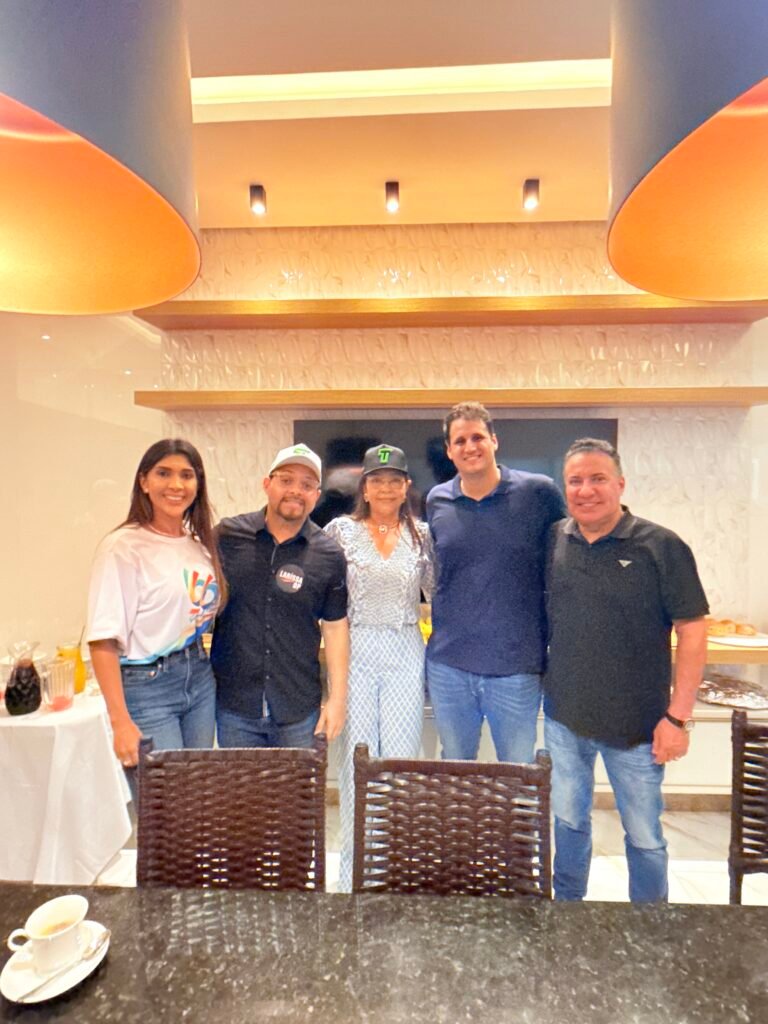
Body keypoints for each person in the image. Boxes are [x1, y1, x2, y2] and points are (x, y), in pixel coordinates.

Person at [543, 437, 709, 903]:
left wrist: (678, 718)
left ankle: (649, 924)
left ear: (620, 484)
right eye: (575, 481)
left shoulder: (661, 546)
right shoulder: (555, 539)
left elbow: (693, 631)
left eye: (597, 479)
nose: (586, 490)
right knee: (568, 823)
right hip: (564, 719)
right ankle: (568, 912)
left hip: (638, 727)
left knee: (644, 835)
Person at [426, 401, 566, 763]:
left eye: (477, 437)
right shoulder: (437, 500)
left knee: (518, 772)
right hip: (449, 666)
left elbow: (567, 554)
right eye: (460, 441)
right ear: (449, 451)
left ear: (494, 441)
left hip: (516, 667)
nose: (470, 447)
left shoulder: (539, 493)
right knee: (454, 770)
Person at [325, 443, 433, 891]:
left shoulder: (423, 535)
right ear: (364, 488)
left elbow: (439, 591)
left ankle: (396, 871)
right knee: (358, 760)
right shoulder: (340, 532)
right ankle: (354, 873)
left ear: (406, 486)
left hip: (405, 646)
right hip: (355, 650)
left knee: (400, 761)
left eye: (394, 480)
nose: (386, 488)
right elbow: (323, 594)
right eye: (377, 481)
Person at [87, 439, 223, 785]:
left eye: (186, 475)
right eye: (164, 473)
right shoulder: (123, 547)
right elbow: (102, 639)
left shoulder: (198, 545)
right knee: (165, 803)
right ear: (144, 482)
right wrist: (120, 722)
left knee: (197, 795)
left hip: (199, 678)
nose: (176, 485)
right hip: (147, 688)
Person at [212, 443, 349, 748]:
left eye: (307, 485)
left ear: (317, 495)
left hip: (298, 709)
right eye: (286, 480)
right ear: (267, 484)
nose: (295, 491)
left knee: (300, 783)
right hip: (235, 707)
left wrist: (337, 700)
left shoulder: (329, 554)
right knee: (239, 783)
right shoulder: (227, 537)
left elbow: (335, 627)